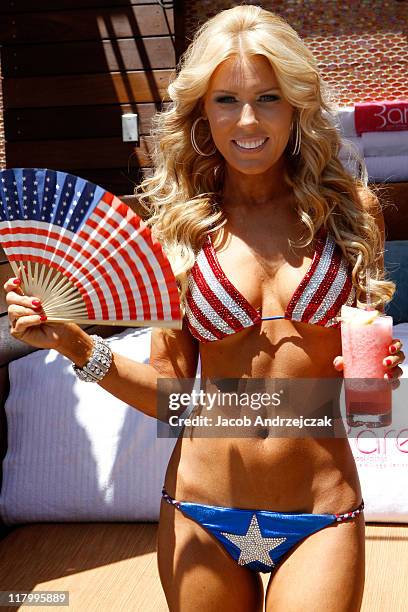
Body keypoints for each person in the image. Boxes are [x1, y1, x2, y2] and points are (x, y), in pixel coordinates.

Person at [3, 5, 405, 611]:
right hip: (201, 509)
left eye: (268, 97)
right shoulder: (177, 232)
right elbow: (170, 397)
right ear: (200, 112)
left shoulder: (348, 213)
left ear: (296, 104)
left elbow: (362, 396)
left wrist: (378, 380)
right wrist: (77, 346)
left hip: (321, 509)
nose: (248, 120)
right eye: (226, 100)